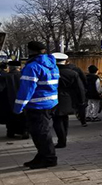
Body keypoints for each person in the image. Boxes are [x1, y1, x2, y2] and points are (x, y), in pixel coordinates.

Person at [14, 41, 59, 169]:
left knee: (40, 133)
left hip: (37, 105)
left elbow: (26, 89)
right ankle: (42, 156)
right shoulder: (52, 65)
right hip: (50, 103)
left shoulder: (32, 67)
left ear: (30, 51)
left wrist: (18, 107)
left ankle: (49, 158)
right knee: (42, 132)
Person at [52, 53, 86, 149]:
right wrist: (81, 101)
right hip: (68, 99)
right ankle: (64, 138)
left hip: (53, 98)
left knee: (57, 119)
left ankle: (61, 140)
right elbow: (80, 88)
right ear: (66, 61)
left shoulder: (50, 72)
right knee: (65, 119)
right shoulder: (72, 73)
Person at [3, 61, 28, 138]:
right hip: (22, 100)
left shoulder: (5, 76)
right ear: (19, 67)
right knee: (23, 117)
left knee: (10, 118)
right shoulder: (23, 76)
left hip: (8, 101)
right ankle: (24, 132)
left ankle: (10, 132)